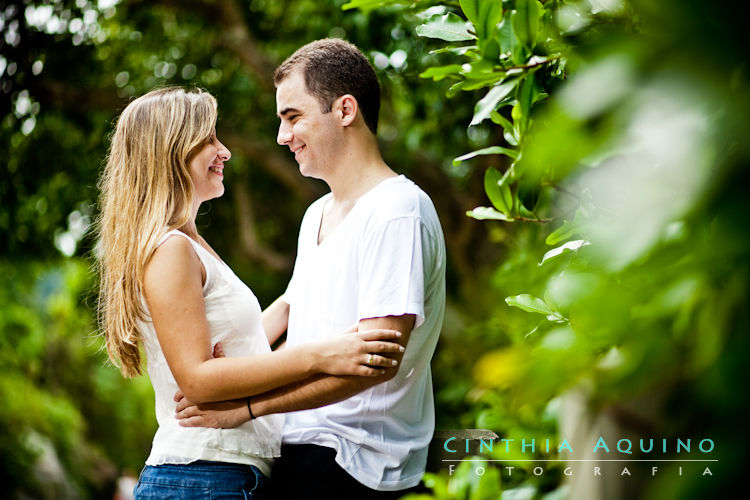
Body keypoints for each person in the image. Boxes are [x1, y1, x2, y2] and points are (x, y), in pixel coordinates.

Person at [95, 86, 405, 499]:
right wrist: (322, 354)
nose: (223, 152)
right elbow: (199, 379)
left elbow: (247, 334)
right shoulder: (170, 249)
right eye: (208, 140)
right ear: (170, 150)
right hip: (203, 475)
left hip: (224, 473)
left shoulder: (191, 245)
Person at [176, 39, 447, 498]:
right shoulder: (317, 213)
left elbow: (374, 364)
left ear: (345, 110)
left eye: (293, 117)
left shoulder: (398, 211)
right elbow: (291, 306)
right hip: (298, 445)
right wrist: (216, 366)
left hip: (353, 460)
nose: (283, 137)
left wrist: (246, 406)